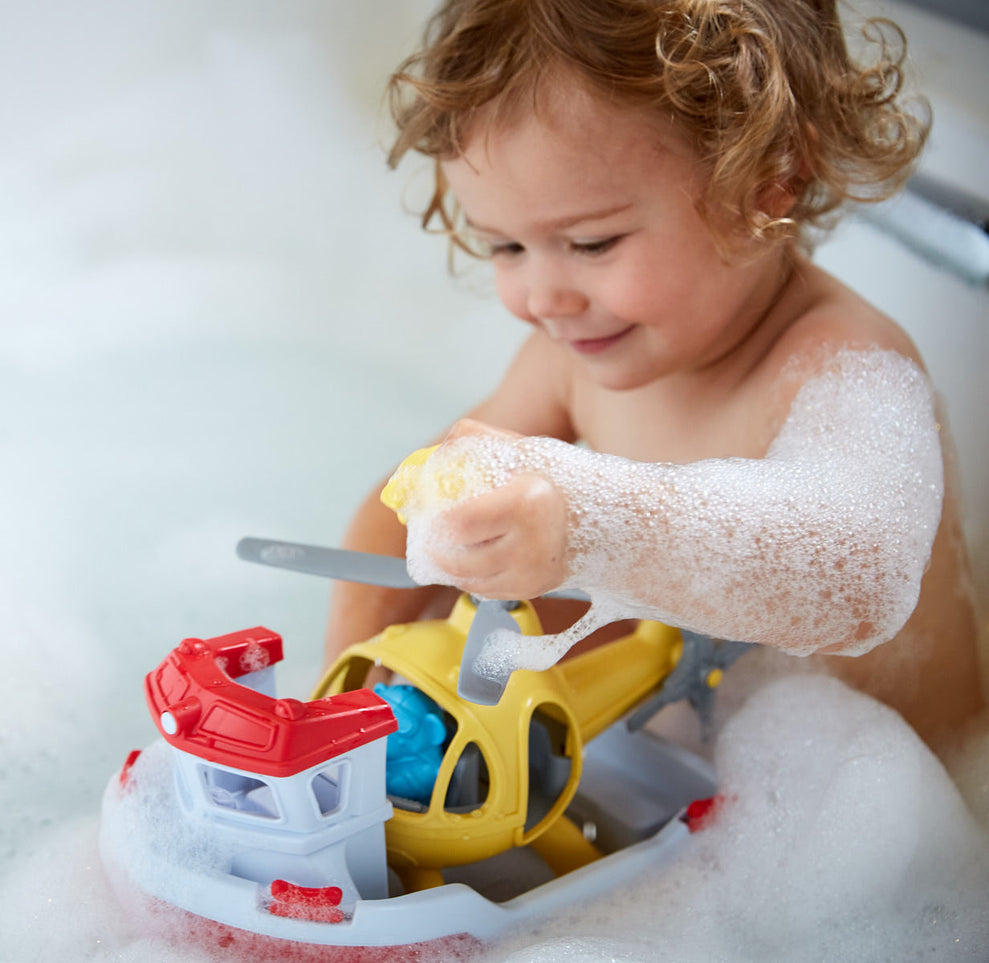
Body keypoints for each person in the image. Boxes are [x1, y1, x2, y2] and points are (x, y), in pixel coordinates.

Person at [324, 0, 983, 749]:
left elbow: (858, 580)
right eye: (505, 248)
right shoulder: (571, 359)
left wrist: (585, 524)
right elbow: (405, 510)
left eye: (591, 242)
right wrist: (343, 696)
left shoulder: (841, 362)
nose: (542, 298)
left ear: (773, 178)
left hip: (891, 792)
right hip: (705, 770)